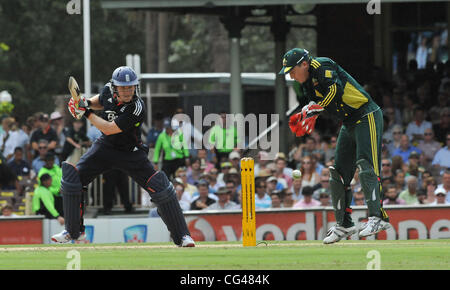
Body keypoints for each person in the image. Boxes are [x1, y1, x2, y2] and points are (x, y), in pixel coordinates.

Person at [51, 66, 195, 247]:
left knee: (162, 188)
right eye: (123, 87)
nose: (128, 91)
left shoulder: (136, 107)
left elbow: (109, 128)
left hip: (130, 152)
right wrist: (86, 103)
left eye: (131, 87)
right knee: (72, 179)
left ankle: (183, 236)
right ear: (114, 87)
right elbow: (100, 101)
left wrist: (85, 112)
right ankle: (72, 232)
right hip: (105, 147)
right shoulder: (107, 90)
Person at [279, 48, 391, 244]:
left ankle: (377, 218)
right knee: (337, 173)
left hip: (366, 114)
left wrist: (317, 107)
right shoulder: (306, 82)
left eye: (292, 70)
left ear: (304, 64)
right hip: (348, 122)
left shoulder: (322, 64)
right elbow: (316, 101)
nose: (290, 75)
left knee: (366, 165)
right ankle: (344, 224)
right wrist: (309, 110)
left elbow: (334, 90)